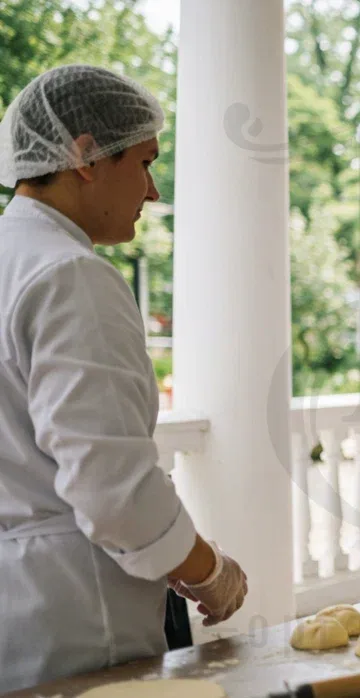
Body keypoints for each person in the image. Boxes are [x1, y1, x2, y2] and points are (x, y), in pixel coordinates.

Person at [0, 65, 247, 692]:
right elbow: (111, 490)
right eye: (144, 161)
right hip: (72, 617)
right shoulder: (68, 275)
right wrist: (208, 568)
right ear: (85, 156)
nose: (155, 190)